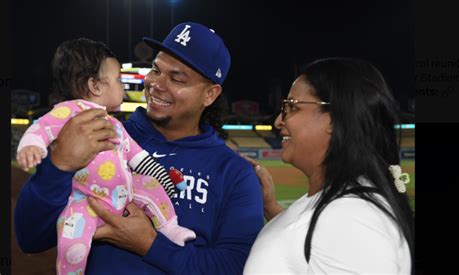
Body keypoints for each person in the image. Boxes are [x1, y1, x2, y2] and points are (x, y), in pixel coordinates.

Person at [14, 22, 264, 274]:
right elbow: (31, 238)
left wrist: (149, 245)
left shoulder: (235, 173)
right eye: (156, 70)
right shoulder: (98, 135)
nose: (157, 83)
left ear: (210, 94)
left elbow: (232, 267)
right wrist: (59, 166)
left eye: (176, 78)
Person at [15, 38, 195, 274]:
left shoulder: (115, 124)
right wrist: (31, 146)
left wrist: (162, 178)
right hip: (87, 200)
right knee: (73, 237)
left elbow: (139, 159)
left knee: (149, 184)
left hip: (125, 193)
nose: (123, 87)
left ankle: (170, 228)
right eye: (119, 80)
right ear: (96, 86)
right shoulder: (68, 112)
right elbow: (42, 128)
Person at [243, 58, 414, 274]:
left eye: (291, 107)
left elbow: (337, 234)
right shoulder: (339, 209)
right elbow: (310, 243)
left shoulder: (352, 220)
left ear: (334, 119)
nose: (278, 121)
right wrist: (270, 206)